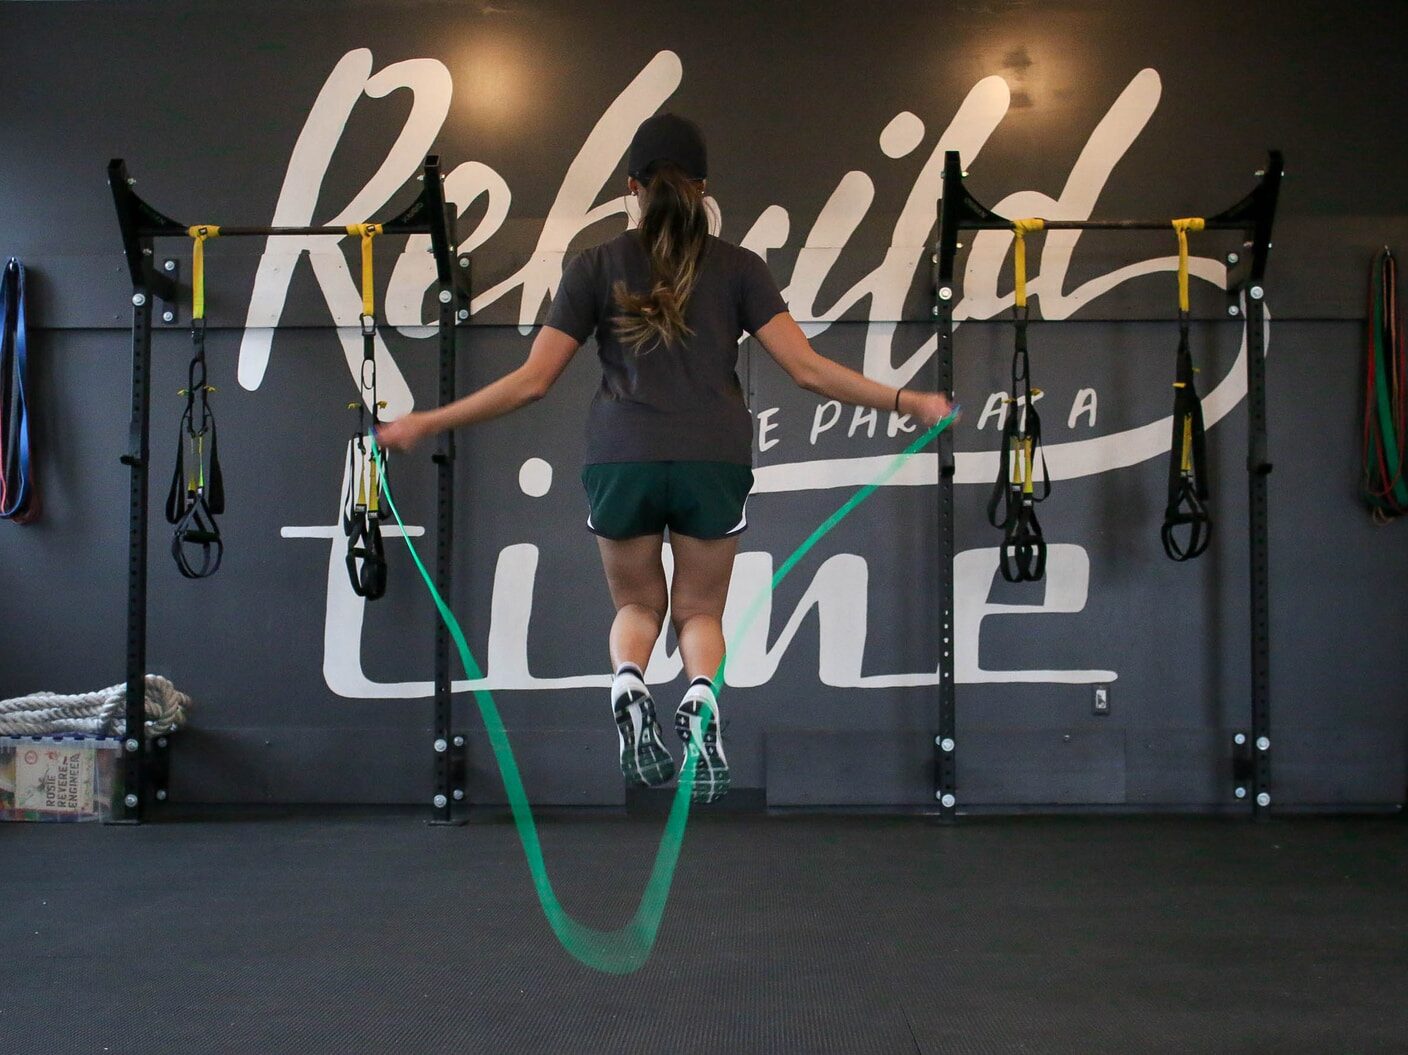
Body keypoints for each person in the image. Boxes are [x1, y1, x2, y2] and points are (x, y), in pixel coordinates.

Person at [375, 113, 956, 803]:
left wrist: (427, 420)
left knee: (636, 604)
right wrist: (906, 400)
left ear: (632, 187)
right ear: (703, 188)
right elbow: (806, 370)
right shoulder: (740, 267)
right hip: (714, 457)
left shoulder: (595, 266)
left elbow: (532, 382)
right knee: (700, 612)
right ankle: (700, 698)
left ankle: (628, 684)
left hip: (622, 458)